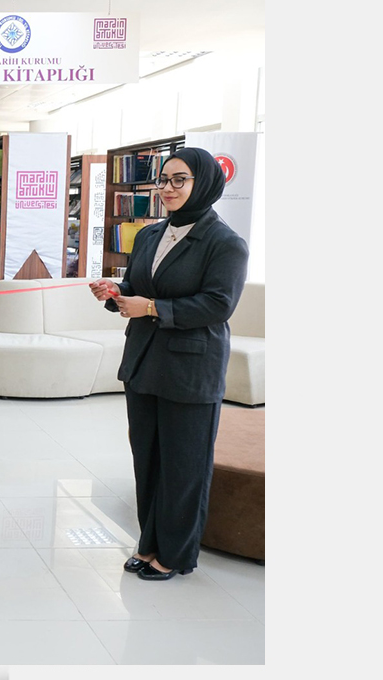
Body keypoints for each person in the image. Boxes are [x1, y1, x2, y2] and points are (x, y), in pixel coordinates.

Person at [88, 147, 248, 580]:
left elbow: (218, 305)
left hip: (191, 369)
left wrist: (153, 308)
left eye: (180, 180)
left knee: (184, 465)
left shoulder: (225, 242)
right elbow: (137, 288)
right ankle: (149, 542)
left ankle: (175, 554)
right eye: (163, 179)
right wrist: (115, 292)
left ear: (205, 184)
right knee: (148, 459)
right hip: (143, 362)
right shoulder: (148, 235)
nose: (167, 188)